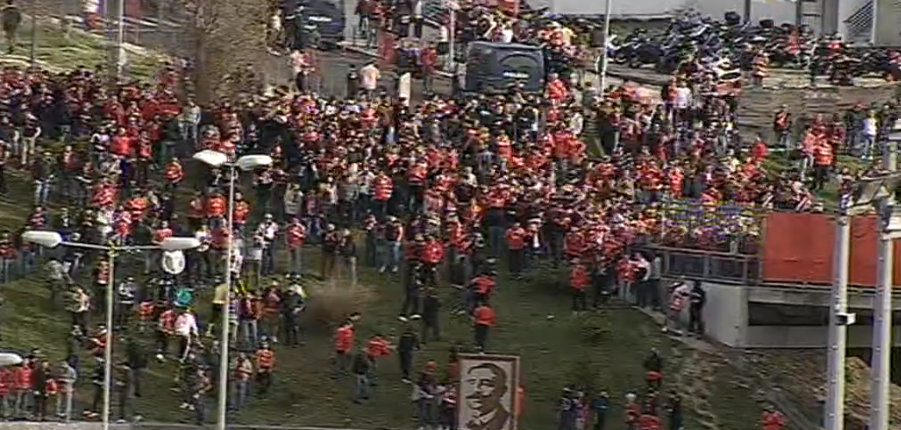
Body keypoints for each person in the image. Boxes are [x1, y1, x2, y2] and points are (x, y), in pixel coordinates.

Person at [462, 362, 510, 430]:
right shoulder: (460, 418)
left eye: (486, 384)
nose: (476, 389)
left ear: (502, 391)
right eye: (471, 383)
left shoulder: (508, 421)